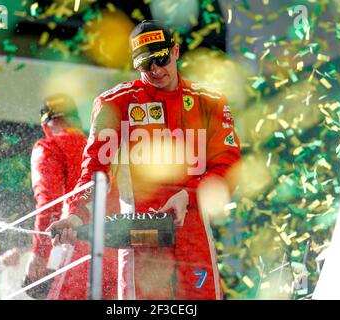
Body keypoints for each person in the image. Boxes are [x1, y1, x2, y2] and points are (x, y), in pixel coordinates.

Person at [48, 20, 241, 300]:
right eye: (145, 65)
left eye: (161, 59)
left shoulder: (210, 101)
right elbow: (94, 171)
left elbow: (228, 167)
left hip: (195, 232)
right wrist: (75, 214)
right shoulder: (115, 103)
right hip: (141, 235)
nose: (156, 71)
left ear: (175, 51)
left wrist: (188, 196)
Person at [24, 94, 92, 291]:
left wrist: (39, 254)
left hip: (73, 249)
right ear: (77, 120)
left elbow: (49, 203)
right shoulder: (99, 149)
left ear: (46, 126)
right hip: (114, 253)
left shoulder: (49, 147)